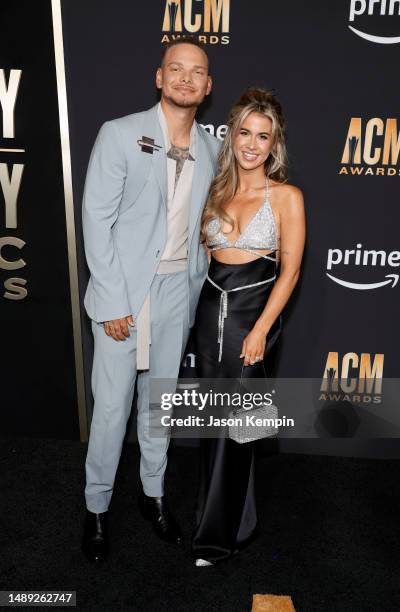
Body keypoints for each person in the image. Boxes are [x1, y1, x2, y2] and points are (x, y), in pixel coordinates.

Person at [81, 38, 220, 563]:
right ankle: (95, 509)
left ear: (208, 87)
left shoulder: (211, 148)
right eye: (176, 69)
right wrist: (115, 300)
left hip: (176, 293)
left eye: (197, 72)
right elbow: (96, 218)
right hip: (124, 293)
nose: (186, 78)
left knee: (158, 406)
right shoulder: (119, 134)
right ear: (159, 78)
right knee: (112, 409)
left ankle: (153, 497)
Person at [191, 87, 306, 566]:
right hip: (209, 315)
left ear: (274, 144)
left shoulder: (285, 196)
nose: (253, 144)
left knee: (235, 428)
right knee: (220, 426)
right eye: (245, 133)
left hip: (252, 316)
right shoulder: (216, 190)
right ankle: (243, 520)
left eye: (264, 136)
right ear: (233, 135)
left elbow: (292, 271)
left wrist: (261, 328)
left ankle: (215, 538)